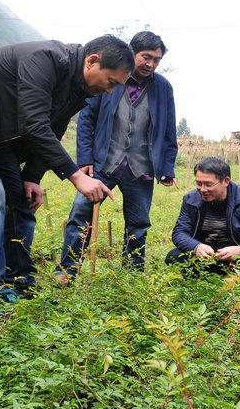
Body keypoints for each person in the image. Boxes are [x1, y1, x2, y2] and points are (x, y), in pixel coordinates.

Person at [0, 36, 134, 320]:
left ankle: (17, 282)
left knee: (20, 199)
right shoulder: (45, 59)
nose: (109, 91)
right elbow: (33, 123)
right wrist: (76, 176)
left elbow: (53, 128)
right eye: (110, 82)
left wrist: (33, 176)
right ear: (92, 61)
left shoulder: (78, 86)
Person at [57, 31, 177, 282]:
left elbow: (168, 129)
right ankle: (67, 272)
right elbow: (86, 119)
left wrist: (167, 166)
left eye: (156, 60)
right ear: (132, 53)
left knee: (138, 224)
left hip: (141, 167)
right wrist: (85, 159)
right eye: (146, 57)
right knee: (80, 215)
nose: (151, 64)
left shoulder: (163, 87)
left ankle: (131, 278)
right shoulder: (111, 77)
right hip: (103, 163)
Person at [166, 157, 240, 276]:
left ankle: (231, 278)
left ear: (226, 181)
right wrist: (196, 247)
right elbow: (179, 232)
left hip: (238, 258)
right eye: (199, 183)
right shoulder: (191, 199)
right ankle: (211, 278)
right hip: (206, 257)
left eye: (208, 184)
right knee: (173, 257)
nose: (203, 189)